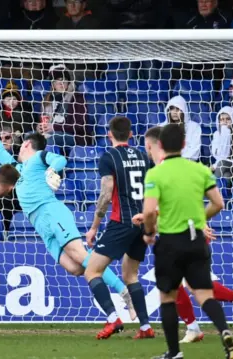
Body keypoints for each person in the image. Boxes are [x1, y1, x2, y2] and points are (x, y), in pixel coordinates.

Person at [0, 104, 137, 329]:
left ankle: (125, 294)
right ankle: (114, 314)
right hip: (41, 227)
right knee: (76, 267)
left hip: (51, 213)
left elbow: (60, 160)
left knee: (83, 258)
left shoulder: (38, 157)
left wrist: (51, 171)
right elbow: (0, 154)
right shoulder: (19, 169)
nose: (18, 148)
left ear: (27, 143)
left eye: (21, 145)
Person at [139, 126, 233, 345]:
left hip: (187, 233)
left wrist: (198, 222)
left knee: (195, 288)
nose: (147, 151)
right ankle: (193, 327)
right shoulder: (170, 169)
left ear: (155, 146)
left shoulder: (162, 170)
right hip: (182, 231)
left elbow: (179, 206)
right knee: (183, 286)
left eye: (148, 147)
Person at [84, 116, 154, 340]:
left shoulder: (109, 157)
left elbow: (106, 194)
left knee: (92, 271)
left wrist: (94, 226)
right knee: (130, 274)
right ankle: (145, 327)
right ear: (131, 134)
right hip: (142, 222)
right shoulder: (144, 157)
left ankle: (113, 318)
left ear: (109, 134)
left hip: (121, 221)